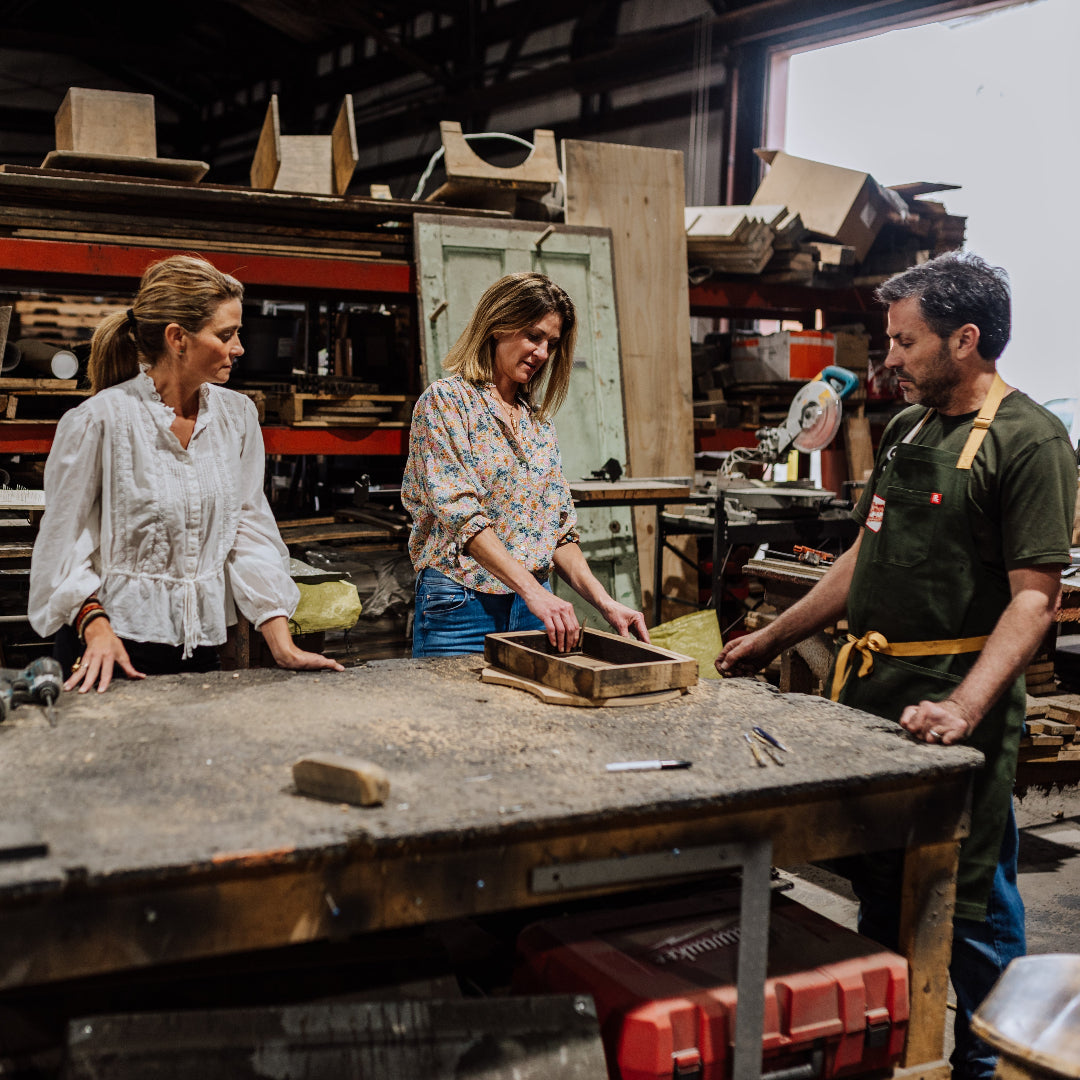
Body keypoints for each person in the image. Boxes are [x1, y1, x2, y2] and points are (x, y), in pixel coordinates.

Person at [715, 252, 1076, 1080]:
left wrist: (967, 705)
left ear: (966, 340)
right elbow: (862, 561)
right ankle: (890, 1050)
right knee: (882, 887)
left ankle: (999, 1064)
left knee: (972, 896)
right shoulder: (909, 428)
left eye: (905, 342)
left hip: (954, 711)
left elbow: (1034, 601)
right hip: (874, 702)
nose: (889, 360)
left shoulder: (1030, 442)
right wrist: (773, 638)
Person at [29, 254, 343, 692]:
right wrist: (94, 625)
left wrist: (280, 641)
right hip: (107, 649)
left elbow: (247, 529)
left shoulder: (236, 417)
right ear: (178, 338)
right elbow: (60, 548)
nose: (239, 348)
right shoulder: (99, 421)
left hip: (199, 649)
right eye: (226, 334)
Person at [402, 272, 649, 656]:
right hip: (462, 606)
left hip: (533, 609)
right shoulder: (447, 403)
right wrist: (535, 592)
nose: (543, 354)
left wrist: (605, 602)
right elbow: (463, 518)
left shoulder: (537, 424)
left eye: (551, 343)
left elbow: (558, 533)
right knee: (456, 715)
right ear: (497, 326)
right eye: (534, 336)